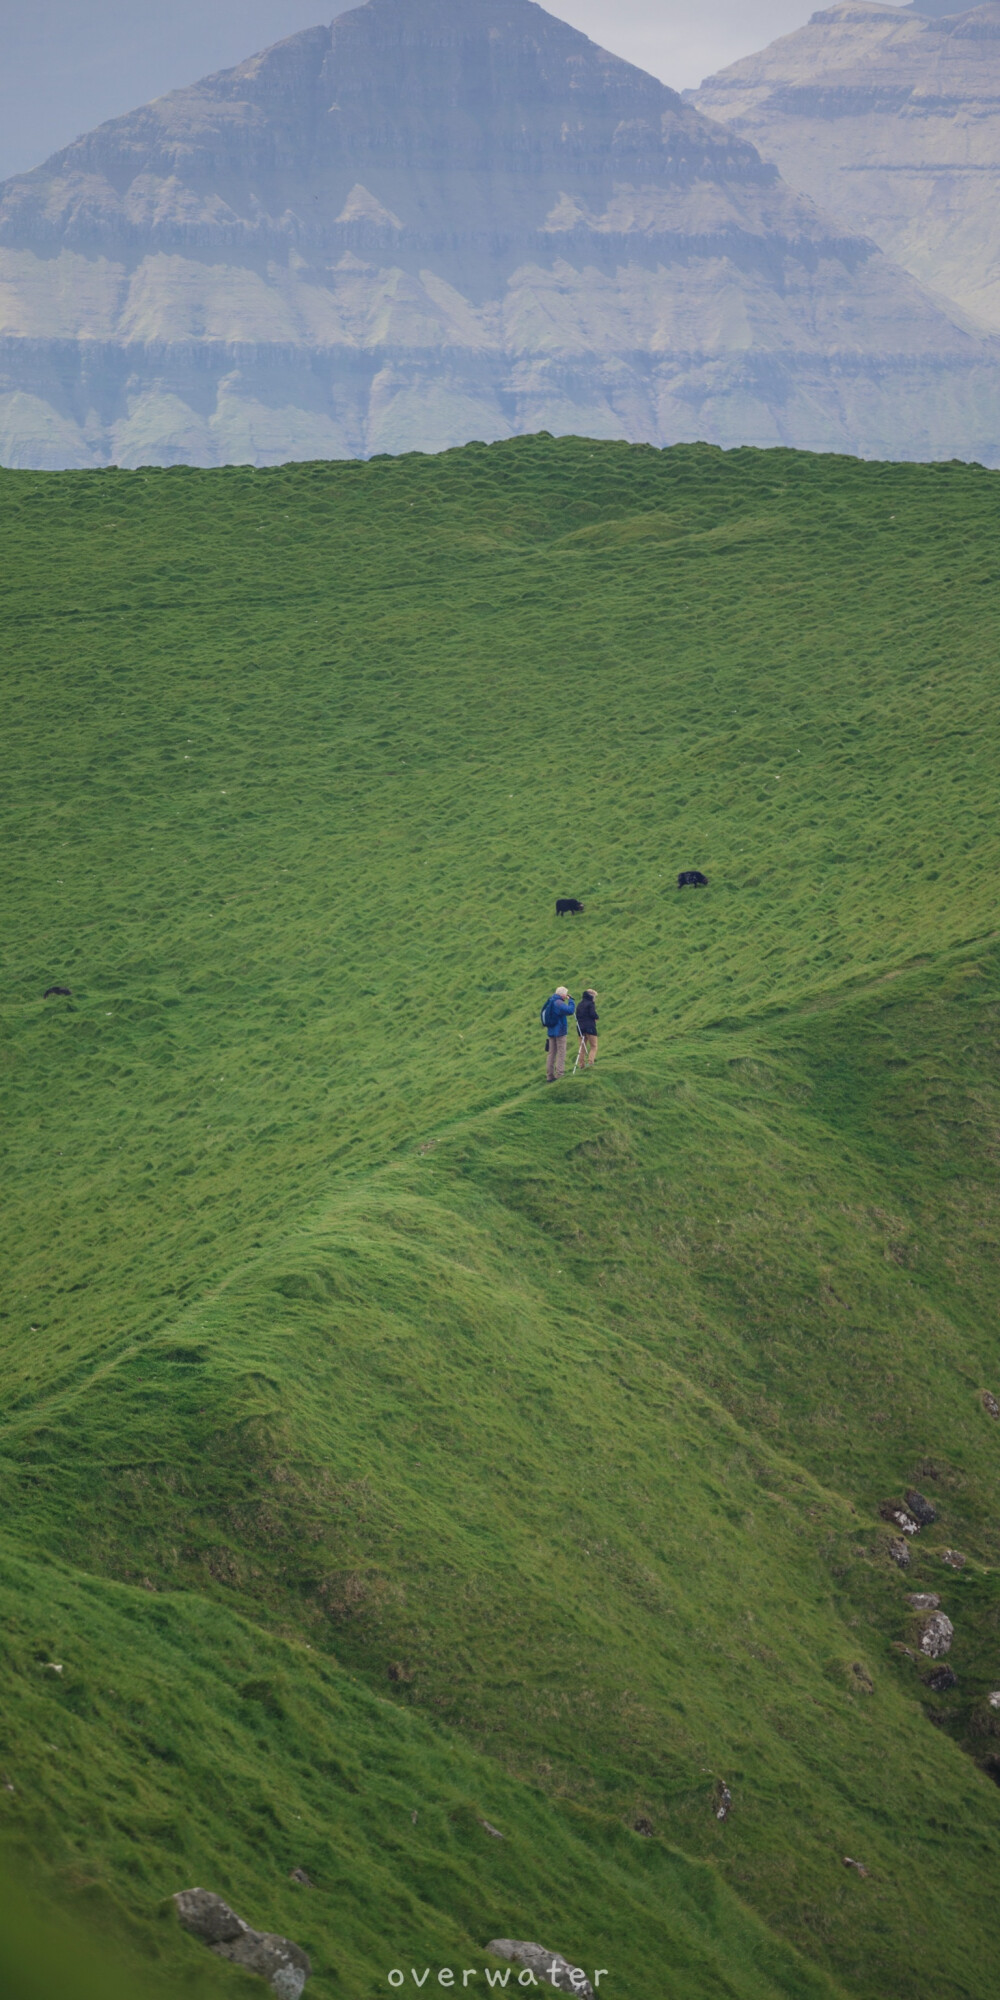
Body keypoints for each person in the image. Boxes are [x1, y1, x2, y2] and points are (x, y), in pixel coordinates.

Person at [543, 985, 575, 1082]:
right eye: (565, 994)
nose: (566, 996)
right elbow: (570, 1010)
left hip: (551, 1031)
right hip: (560, 1031)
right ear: (563, 995)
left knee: (551, 1053)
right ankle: (560, 1074)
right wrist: (571, 1001)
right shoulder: (559, 1003)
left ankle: (549, 1076)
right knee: (561, 1052)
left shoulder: (551, 1001)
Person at [576, 988, 599, 1066]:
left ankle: (581, 1064)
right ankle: (590, 1062)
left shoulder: (579, 1004)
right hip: (590, 1027)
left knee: (582, 1046)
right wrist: (597, 1017)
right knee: (594, 1046)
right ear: (591, 996)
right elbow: (592, 1014)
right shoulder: (590, 1004)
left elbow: (577, 1016)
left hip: (580, 1028)